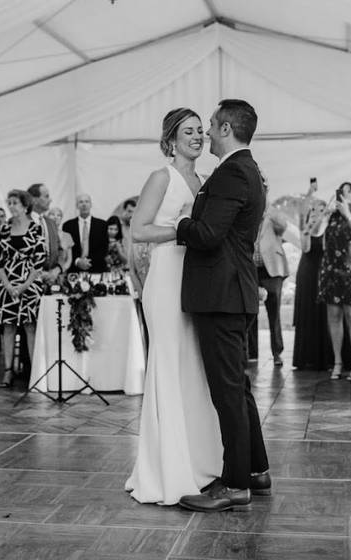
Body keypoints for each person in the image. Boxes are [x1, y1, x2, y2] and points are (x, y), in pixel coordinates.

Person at [175, 99, 270, 513]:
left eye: (212, 125)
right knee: (239, 390)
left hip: (222, 296)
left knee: (227, 393)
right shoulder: (246, 170)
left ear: (228, 128)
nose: (207, 132)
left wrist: (181, 222)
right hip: (234, 294)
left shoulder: (232, 172)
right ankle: (256, 470)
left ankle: (234, 485)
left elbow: (209, 234)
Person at [125, 108, 223, 506]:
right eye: (189, 131)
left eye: (201, 131)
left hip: (195, 281)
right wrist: (182, 230)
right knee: (167, 365)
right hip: (166, 281)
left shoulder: (202, 180)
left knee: (192, 368)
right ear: (171, 140)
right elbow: (139, 230)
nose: (198, 137)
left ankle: (199, 462)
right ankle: (167, 469)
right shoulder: (161, 177)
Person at [0, 190, 47, 389]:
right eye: (10, 202)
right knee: (8, 327)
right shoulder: (4, 229)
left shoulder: (36, 228)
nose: (11, 206)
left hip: (29, 284)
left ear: (25, 206)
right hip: (7, 284)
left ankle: (34, 373)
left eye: (15, 202)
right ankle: (8, 370)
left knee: (30, 327)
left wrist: (25, 285)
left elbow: (39, 261)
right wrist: (8, 285)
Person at [317, 182, 351, 381]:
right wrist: (326, 213)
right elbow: (316, 233)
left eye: (350, 191)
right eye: (342, 191)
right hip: (331, 271)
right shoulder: (331, 217)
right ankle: (338, 362)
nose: (345, 194)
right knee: (334, 316)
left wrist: (347, 213)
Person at [291, 199, 351, 370]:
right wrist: (310, 226)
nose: (317, 211)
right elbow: (306, 248)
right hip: (309, 273)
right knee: (310, 312)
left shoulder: (332, 227)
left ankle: (333, 357)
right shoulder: (307, 228)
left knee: (330, 314)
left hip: (329, 273)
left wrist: (325, 221)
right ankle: (309, 357)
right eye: (314, 209)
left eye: (321, 208)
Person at [250, 208, 290, 366]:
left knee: (274, 314)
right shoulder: (248, 214)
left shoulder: (273, 216)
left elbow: (283, 227)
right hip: (252, 270)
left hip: (272, 271)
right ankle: (252, 353)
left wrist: (270, 213)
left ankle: (277, 353)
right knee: (251, 312)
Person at [62, 193, 109, 273]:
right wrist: (78, 261)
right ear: (77, 206)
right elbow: (67, 249)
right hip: (75, 270)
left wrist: (87, 262)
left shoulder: (102, 224)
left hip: (97, 269)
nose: (84, 204)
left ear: (91, 205)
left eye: (87, 202)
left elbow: (104, 249)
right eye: (81, 202)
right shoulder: (68, 225)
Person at [27, 183, 62, 287]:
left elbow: (60, 251)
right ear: (34, 200)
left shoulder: (51, 223)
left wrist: (56, 270)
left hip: (51, 283)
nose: (50, 200)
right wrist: (37, 274)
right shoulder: (20, 222)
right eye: (46, 196)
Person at [45, 206, 74, 273]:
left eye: (59, 215)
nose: (55, 217)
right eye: (52, 214)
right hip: (44, 273)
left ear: (61, 218)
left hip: (61, 273)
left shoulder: (67, 236)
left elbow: (69, 259)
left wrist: (59, 271)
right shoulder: (43, 233)